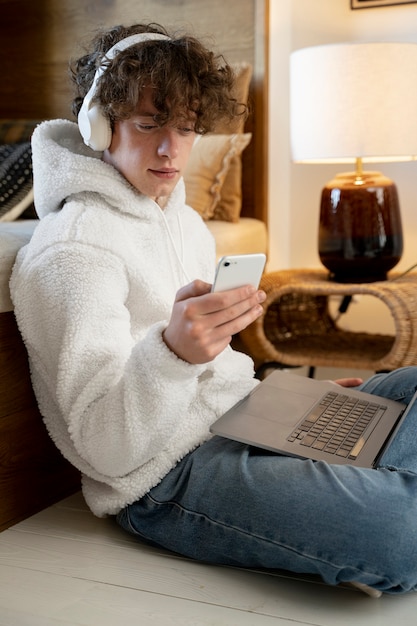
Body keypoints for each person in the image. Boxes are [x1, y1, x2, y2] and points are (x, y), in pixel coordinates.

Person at [10, 22, 417, 598]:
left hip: (243, 415)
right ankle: (370, 474)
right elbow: (104, 450)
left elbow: (218, 369)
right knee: (401, 534)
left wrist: (286, 403)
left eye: (185, 128)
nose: (169, 150)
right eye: (148, 125)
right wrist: (172, 355)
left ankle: (353, 459)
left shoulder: (184, 220)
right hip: (164, 474)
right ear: (99, 126)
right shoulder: (73, 252)